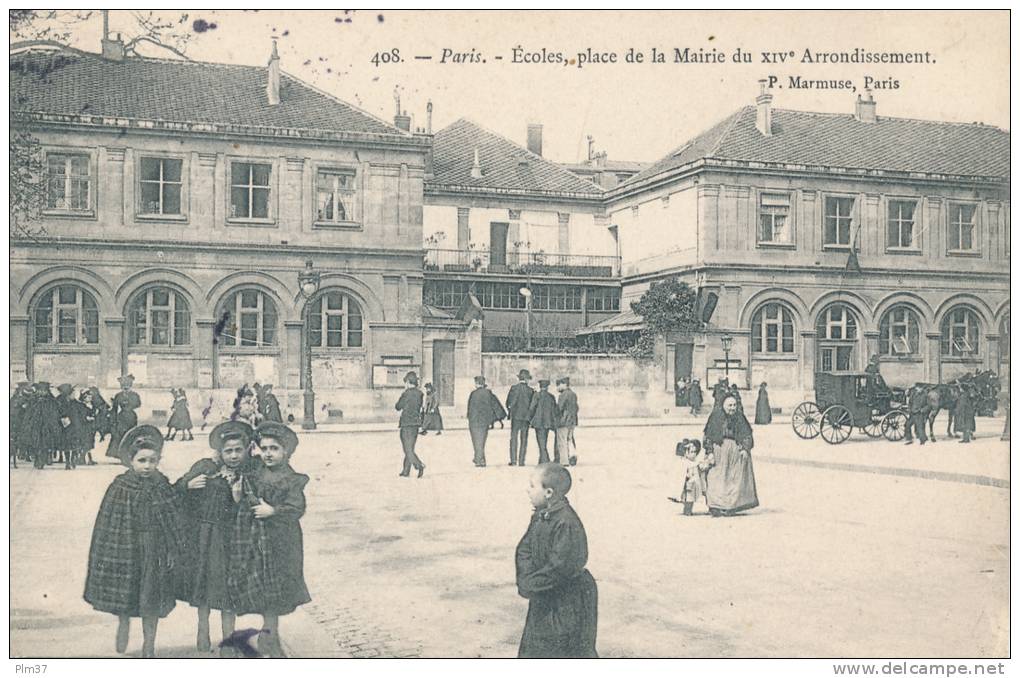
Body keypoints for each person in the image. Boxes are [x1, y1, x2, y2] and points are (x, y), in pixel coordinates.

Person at [84, 425, 189, 658]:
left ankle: (149, 643)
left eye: (152, 461)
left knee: (151, 596)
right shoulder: (120, 486)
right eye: (142, 461)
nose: (147, 466)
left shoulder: (162, 485)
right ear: (131, 461)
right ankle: (124, 625)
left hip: (155, 549)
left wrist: (172, 549)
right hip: (126, 547)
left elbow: (174, 519)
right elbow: (107, 524)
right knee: (126, 591)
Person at [229, 422, 311, 658]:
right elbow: (247, 500)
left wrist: (274, 511)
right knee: (263, 586)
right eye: (263, 448)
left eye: (274, 448)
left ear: (286, 452)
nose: (268, 454)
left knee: (276, 589)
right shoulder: (255, 473)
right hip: (257, 540)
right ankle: (268, 638)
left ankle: (270, 638)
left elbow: (297, 507)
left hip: (282, 541)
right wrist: (238, 496)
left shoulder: (290, 478)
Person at [175, 420, 254, 656]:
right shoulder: (206, 468)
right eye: (228, 451)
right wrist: (187, 485)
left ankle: (229, 639)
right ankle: (203, 628)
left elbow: (254, 508)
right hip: (206, 539)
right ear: (219, 452)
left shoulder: (249, 474)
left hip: (233, 540)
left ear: (247, 449)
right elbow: (176, 489)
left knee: (228, 590)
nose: (233, 456)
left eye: (238, 450)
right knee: (205, 586)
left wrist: (239, 497)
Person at [516, 463, 598, 658]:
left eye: (532, 486)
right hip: (544, 593)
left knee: (565, 651)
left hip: (568, 599)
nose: (528, 490)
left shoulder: (566, 523)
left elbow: (561, 566)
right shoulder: (541, 516)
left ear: (549, 492)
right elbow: (524, 549)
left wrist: (532, 584)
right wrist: (526, 579)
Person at [703, 394, 759, 516]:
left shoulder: (740, 417)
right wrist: (709, 452)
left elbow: (747, 435)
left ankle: (730, 506)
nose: (732, 408)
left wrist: (745, 448)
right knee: (716, 478)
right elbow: (708, 436)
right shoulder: (715, 417)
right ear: (723, 405)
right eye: (729, 405)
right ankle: (715, 506)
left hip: (735, 452)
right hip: (718, 451)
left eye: (734, 405)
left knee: (733, 480)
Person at [467, 376, 506, 468]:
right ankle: (478, 458)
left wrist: (469, 418)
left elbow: (469, 408)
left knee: (475, 440)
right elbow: (496, 405)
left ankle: (479, 459)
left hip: (474, 421)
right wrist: (499, 418)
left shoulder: (473, 394)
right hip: (484, 421)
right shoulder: (488, 393)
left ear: (476, 383)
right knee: (482, 440)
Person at [23, 382, 62, 469]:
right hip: (36, 425)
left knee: (45, 443)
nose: (42, 392)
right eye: (40, 390)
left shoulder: (51, 400)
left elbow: (56, 411)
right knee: (36, 443)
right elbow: (29, 412)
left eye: (44, 390)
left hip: (47, 425)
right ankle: (38, 459)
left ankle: (44, 459)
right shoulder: (34, 399)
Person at [394, 372, 426, 478]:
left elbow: (398, 406)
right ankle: (406, 470)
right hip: (415, 424)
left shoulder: (406, 393)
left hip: (406, 423)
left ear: (408, 382)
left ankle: (419, 465)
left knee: (406, 448)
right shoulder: (420, 394)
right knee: (410, 447)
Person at [106, 374, 141, 461]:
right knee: (120, 435)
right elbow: (115, 407)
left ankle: (129, 454)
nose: (125, 389)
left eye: (127, 387)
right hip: (121, 417)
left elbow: (138, 404)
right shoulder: (118, 395)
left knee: (130, 435)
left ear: (130, 386)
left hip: (131, 417)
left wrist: (129, 405)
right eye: (124, 387)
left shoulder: (135, 395)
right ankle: (119, 454)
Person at [673, 439, 711, 516]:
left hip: (693, 485)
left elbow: (702, 467)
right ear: (686, 453)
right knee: (688, 499)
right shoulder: (687, 463)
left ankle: (688, 511)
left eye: (695, 452)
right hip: (689, 485)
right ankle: (687, 511)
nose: (694, 454)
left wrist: (706, 464)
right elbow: (682, 473)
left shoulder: (695, 462)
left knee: (691, 499)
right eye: (691, 452)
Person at [506, 369, 536, 466]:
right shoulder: (531, 391)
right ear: (527, 379)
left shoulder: (513, 388)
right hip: (526, 418)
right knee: (524, 439)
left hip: (515, 417)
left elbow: (508, 402)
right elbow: (533, 405)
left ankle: (513, 460)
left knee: (513, 438)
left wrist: (510, 411)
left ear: (519, 378)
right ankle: (522, 461)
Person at [56, 383, 87, 469]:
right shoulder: (60, 402)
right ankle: (67, 462)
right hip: (65, 427)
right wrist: (63, 418)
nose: (74, 395)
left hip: (75, 426)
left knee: (75, 445)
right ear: (68, 395)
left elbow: (82, 410)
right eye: (72, 393)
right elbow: (58, 412)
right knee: (66, 445)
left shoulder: (75, 403)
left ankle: (73, 460)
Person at [528, 379, 558, 464]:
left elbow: (532, 408)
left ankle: (544, 459)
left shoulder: (536, 395)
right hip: (548, 422)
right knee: (544, 440)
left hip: (538, 422)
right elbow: (554, 409)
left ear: (540, 386)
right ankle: (542, 458)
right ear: (547, 387)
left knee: (541, 442)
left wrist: (530, 419)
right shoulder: (551, 396)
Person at [554, 377, 579, 466]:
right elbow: (576, 408)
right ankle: (573, 457)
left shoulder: (563, 395)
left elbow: (559, 409)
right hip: (572, 421)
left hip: (564, 421)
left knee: (562, 441)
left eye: (558, 385)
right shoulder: (573, 394)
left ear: (564, 384)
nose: (557, 388)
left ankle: (564, 461)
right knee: (570, 440)